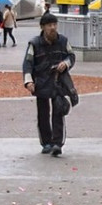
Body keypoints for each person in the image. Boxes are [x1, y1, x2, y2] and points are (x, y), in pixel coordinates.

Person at [22, 10, 76, 156]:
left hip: (58, 82)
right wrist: (28, 81)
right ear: (42, 27)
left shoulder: (63, 41)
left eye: (54, 24)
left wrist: (65, 63)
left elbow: (71, 56)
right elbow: (28, 63)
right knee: (43, 114)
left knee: (58, 111)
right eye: (49, 25)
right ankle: (46, 142)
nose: (52, 28)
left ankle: (57, 143)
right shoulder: (34, 44)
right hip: (41, 82)